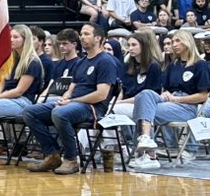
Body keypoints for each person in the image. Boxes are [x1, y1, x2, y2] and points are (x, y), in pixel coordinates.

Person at [21, 24, 118, 175]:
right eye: (81, 34)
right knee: (29, 112)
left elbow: (101, 95)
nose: (82, 37)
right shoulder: (81, 62)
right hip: (73, 103)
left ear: (98, 38)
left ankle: (71, 159)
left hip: (92, 108)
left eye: (86, 34)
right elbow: (72, 87)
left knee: (60, 113)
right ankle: (52, 154)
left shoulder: (106, 61)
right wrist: (65, 98)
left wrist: (72, 101)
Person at [129, 30, 210, 170]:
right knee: (145, 94)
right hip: (170, 102)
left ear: (187, 42)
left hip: (188, 107)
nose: (174, 45)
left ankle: (148, 154)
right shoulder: (173, 65)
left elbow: (203, 96)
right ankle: (147, 142)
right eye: (173, 42)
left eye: (178, 41)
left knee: (144, 109)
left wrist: (177, 99)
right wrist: (166, 95)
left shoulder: (200, 65)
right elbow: (165, 89)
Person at [0, 25, 43, 121]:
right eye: (10, 37)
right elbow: (2, 84)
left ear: (25, 40)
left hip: (22, 102)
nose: (11, 40)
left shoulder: (32, 62)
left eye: (15, 37)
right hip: (6, 98)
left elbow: (19, 91)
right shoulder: (11, 60)